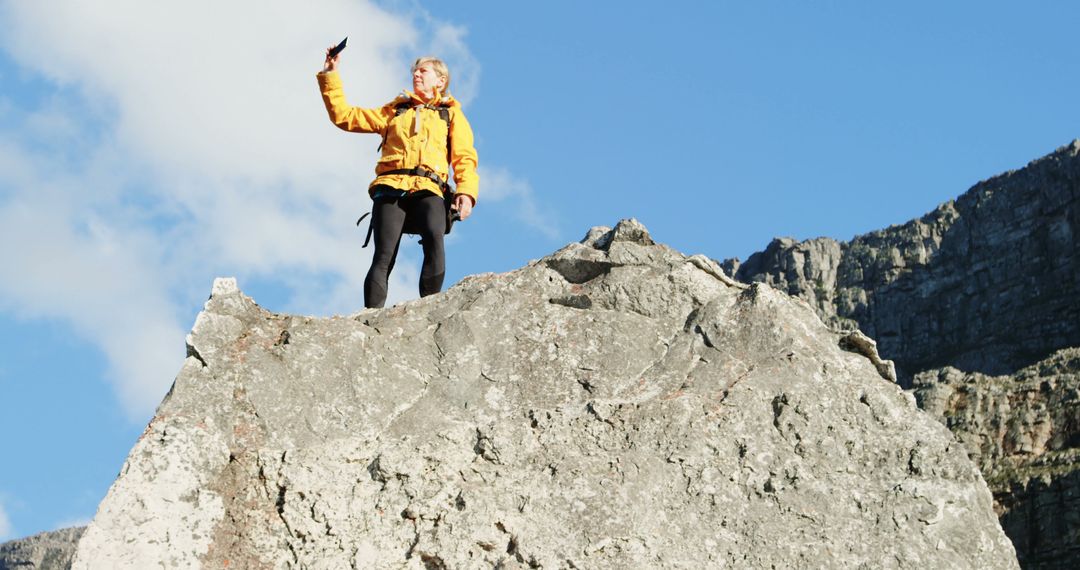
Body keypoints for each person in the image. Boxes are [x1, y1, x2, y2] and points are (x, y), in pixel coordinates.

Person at [317, 49, 479, 308]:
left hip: (430, 187)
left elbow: (464, 157)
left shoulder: (450, 114)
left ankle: (430, 307)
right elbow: (344, 116)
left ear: (440, 80)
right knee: (383, 254)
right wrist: (330, 74)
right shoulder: (394, 111)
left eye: (423, 70)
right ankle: (370, 317)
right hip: (391, 186)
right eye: (415, 70)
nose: (416, 74)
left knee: (434, 238)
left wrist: (466, 192)